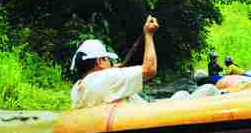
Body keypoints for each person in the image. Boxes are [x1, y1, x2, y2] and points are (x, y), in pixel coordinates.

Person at [69, 16, 217, 109]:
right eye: (107, 59)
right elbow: (149, 69)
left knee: (182, 93)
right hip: (152, 118)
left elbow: (107, 77)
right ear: (99, 61)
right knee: (209, 89)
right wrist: (149, 35)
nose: (111, 63)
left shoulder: (77, 89)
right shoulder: (108, 78)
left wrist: (115, 68)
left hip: (134, 116)